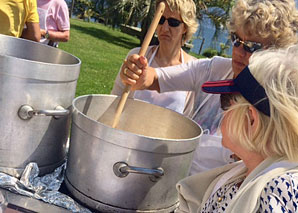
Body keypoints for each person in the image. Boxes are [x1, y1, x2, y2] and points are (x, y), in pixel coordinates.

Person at [120, 0, 298, 174]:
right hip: (181, 188)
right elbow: (155, 78)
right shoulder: (216, 69)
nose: (238, 51)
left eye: (252, 46)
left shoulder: (279, 103)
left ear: (276, 52)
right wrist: (138, 74)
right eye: (236, 40)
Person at [176, 45, 298, 213]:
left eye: (226, 101)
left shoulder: (275, 194)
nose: (222, 112)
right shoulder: (245, 173)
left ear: (251, 119)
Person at [112, 0, 198, 114]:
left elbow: (188, 118)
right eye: (161, 20)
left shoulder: (193, 69)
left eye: (173, 22)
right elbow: (115, 98)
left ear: (185, 27)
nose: (165, 28)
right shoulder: (138, 56)